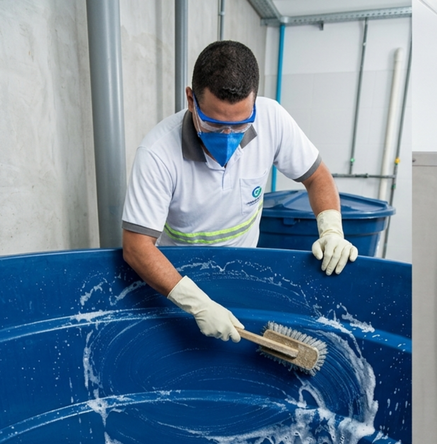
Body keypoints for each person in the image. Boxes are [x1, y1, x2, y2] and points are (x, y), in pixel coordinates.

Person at [122, 41, 357, 343]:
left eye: (241, 125)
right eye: (215, 125)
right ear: (191, 100)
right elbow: (137, 247)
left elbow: (317, 177)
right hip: (179, 282)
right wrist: (198, 304)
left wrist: (331, 230)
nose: (229, 138)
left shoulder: (272, 119)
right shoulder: (157, 153)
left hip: (242, 271)